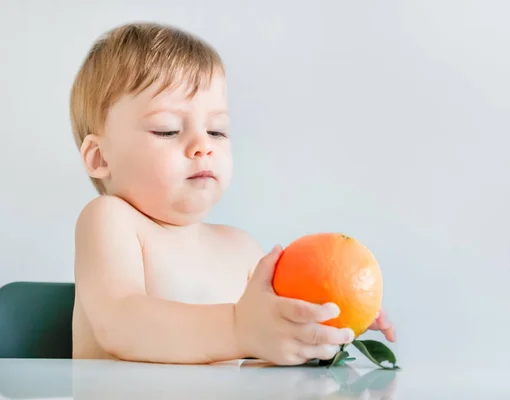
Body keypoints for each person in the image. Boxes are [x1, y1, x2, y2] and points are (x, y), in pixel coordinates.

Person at [69, 21, 395, 365]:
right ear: (100, 157)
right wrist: (239, 327)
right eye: (167, 130)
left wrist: (317, 326)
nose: (202, 146)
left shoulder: (241, 250)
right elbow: (121, 324)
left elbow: (253, 364)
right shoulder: (110, 219)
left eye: (216, 130)